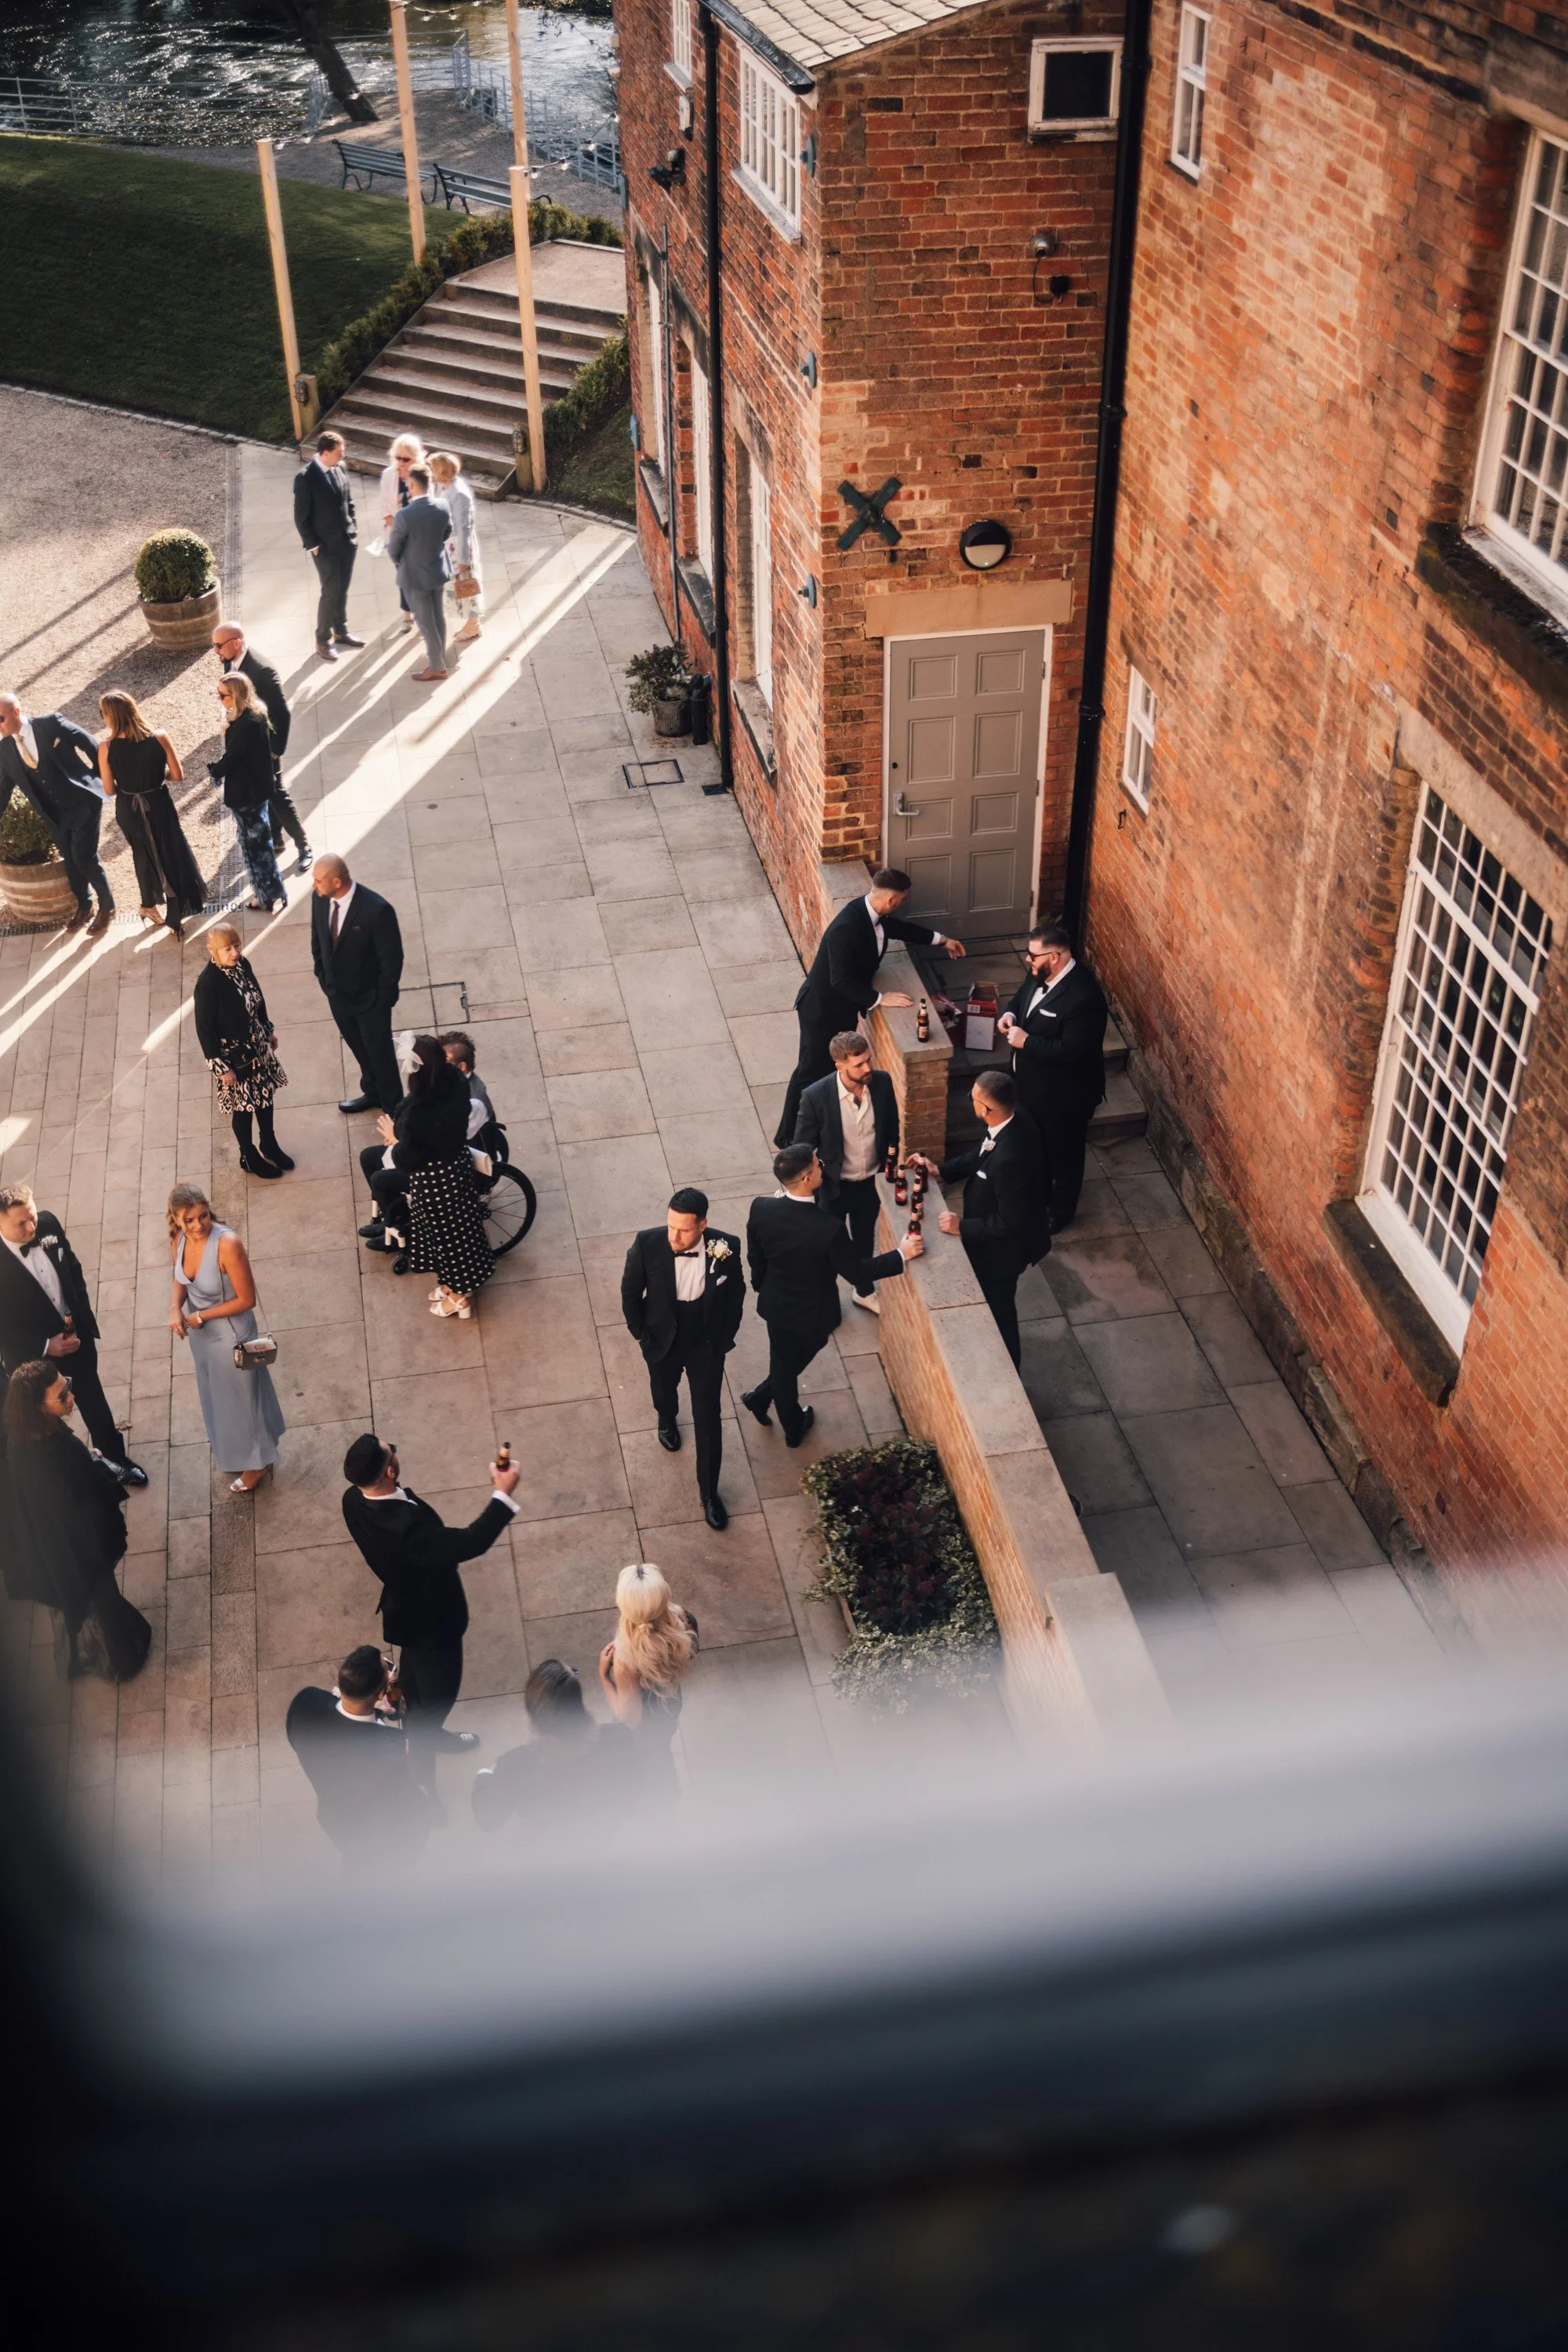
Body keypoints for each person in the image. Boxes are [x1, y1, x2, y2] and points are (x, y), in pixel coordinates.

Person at [340, 1432, 521, 1777]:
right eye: (390, 1450)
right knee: (437, 1698)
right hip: (433, 1625)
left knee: (412, 1683)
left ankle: (413, 1717)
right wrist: (503, 1493)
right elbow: (471, 1541)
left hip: (404, 1612)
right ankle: (421, 1767)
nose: (394, 1450)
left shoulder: (353, 1499)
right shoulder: (409, 1533)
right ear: (390, 1471)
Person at [742, 1142, 922, 1447]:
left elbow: (755, 1257)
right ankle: (792, 1427)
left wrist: (763, 1287)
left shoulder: (761, 1208)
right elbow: (858, 1273)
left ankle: (762, 1396)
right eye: (818, 1164)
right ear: (807, 1178)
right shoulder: (827, 1228)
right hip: (810, 1311)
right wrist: (900, 1255)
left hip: (777, 1304)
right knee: (790, 1362)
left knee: (787, 1361)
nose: (822, 1166)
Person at [775, 868, 967, 1145]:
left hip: (841, 1009)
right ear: (891, 900)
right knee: (808, 1070)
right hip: (821, 1011)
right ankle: (787, 1138)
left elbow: (900, 929)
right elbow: (839, 980)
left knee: (831, 1071)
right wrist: (879, 999)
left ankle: (821, 1128)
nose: (901, 904)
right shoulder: (846, 927)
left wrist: (942, 940)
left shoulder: (876, 915)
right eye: (901, 899)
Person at [2, 1359, 151, 1683]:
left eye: (66, 1385)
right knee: (99, 1602)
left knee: (74, 1600)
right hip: (79, 1546)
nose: (71, 1397)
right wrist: (94, 1467)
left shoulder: (26, 1436)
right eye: (62, 1395)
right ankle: (118, 1662)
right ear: (39, 1406)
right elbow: (76, 1503)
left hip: (58, 1545)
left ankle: (76, 1657)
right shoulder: (52, 1455)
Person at [0, 1181, 147, 1484]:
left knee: (93, 1398)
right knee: (45, 1418)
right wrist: (45, 1346)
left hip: (75, 1339)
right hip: (33, 1360)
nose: (31, 1228)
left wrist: (78, 1315)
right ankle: (63, 1477)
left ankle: (116, 1460)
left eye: (32, 1217)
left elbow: (74, 1270)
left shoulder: (49, 1223)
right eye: (21, 1223)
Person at [621, 1187, 746, 1532]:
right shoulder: (647, 1244)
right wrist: (642, 1335)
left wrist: (724, 1337)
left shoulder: (727, 1246)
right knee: (664, 1388)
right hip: (663, 1339)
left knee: (709, 1418)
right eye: (670, 1226)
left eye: (684, 1229)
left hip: (706, 1344)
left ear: (703, 1225)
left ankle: (708, 1493)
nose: (674, 1236)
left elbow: (736, 1293)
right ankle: (667, 1418)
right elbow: (630, 1294)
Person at [911, 1071, 1051, 1370]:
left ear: (986, 1110)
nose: (970, 1103)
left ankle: (1009, 1369)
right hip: (996, 1238)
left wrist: (962, 1226)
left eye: (973, 1099)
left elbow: (1010, 1222)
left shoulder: (1012, 1158)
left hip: (1002, 1253)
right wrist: (942, 1171)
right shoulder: (1013, 1116)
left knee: (1000, 1311)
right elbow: (983, 1152)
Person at [167, 1182, 285, 1495]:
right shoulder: (179, 1238)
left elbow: (247, 1300)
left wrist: (202, 1316)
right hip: (202, 1338)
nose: (198, 1225)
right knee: (218, 1399)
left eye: (203, 1216)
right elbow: (180, 1279)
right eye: (189, 1220)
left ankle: (258, 1462)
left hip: (232, 1337)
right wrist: (174, 1309)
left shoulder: (227, 1244)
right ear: (177, 1219)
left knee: (244, 1403)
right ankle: (239, 1452)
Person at [366, 1035, 492, 1318]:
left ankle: (460, 1296)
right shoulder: (456, 1083)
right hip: (456, 1169)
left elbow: (407, 1159)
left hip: (433, 1182)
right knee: (461, 1234)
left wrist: (393, 1137)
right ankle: (453, 1286)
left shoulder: (419, 1115)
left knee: (446, 1241)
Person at [996, 923, 1110, 1233]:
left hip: (1065, 1097)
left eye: (1033, 956)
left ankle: (1060, 1213)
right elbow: (1023, 996)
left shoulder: (1084, 997)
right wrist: (1011, 1014)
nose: (1027, 960)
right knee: (1036, 1147)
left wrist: (1026, 1042)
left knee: (1064, 1155)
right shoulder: (1040, 972)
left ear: (1055, 956)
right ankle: (1038, 1196)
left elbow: (1073, 1051)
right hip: (1030, 1089)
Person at [285, 1646, 427, 1871]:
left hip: (334, 1818)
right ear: (380, 1694)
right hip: (376, 1833)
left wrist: (375, 1711)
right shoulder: (391, 1752)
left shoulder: (305, 1703)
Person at [794, 1031, 901, 1317]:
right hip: (833, 1187)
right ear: (839, 1065)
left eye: (868, 1060)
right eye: (859, 1065)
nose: (867, 1068)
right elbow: (802, 1149)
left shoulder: (882, 1083)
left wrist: (891, 1163)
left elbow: (892, 1128)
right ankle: (824, 1303)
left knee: (865, 1240)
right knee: (826, 1247)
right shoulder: (815, 1097)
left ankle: (863, 1292)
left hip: (870, 1184)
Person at [471, 1659, 637, 1833]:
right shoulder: (619, 1738)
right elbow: (631, 1795)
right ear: (578, 1707)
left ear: (532, 1714)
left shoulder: (513, 1767)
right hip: (605, 1841)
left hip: (548, 1851)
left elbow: (488, 1821)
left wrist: (485, 1776)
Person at [0, 693, 115, 936]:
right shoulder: (5, 750)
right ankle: (85, 905)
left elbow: (92, 746)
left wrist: (98, 782)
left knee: (84, 856)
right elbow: (4, 790)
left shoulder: (51, 723)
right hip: (53, 814)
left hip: (83, 803)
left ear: (16, 712)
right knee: (70, 860)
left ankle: (108, 906)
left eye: (0, 718)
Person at [96, 690, 205, 937]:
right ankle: (174, 914)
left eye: (102, 713)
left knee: (142, 854)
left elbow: (110, 789)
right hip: (158, 802)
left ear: (111, 716)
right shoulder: (160, 737)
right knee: (170, 851)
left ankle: (148, 904)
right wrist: (157, 777)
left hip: (128, 808)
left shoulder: (107, 747)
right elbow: (177, 775)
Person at [194, 924, 292, 1180]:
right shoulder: (208, 985)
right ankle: (248, 1156)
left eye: (236, 946)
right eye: (227, 949)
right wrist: (222, 1068)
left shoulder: (242, 964)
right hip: (234, 1057)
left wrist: (268, 1029)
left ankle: (268, 1144)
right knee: (244, 1107)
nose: (235, 952)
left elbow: (258, 1000)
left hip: (257, 1045)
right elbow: (204, 1030)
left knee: (265, 1096)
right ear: (212, 950)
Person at [212, 622, 310, 871]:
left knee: (278, 797)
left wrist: (276, 750)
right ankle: (276, 839)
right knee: (264, 795)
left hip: (265, 748)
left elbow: (282, 713)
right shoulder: (231, 662)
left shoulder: (261, 671)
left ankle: (303, 845)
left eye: (218, 645)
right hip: (248, 742)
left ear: (237, 642)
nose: (216, 651)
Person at [310, 853, 405, 1115]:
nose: (313, 885)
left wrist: (382, 999)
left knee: (381, 1055)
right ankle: (372, 1093)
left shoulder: (376, 909)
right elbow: (317, 938)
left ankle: (396, 1111)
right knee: (359, 1048)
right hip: (337, 996)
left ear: (337, 882)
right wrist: (323, 976)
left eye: (318, 881)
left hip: (371, 1000)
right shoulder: (319, 899)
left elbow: (392, 959)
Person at [597, 1563, 698, 1788]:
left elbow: (630, 1719)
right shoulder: (682, 1618)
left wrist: (604, 1678)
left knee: (649, 1762)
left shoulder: (625, 1657)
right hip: (670, 1706)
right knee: (663, 1743)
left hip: (648, 1726)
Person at [209, 673, 285, 913]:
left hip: (246, 794)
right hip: (259, 789)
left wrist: (215, 770)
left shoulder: (242, 725)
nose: (219, 699)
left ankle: (265, 896)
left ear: (236, 695)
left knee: (254, 849)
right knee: (263, 844)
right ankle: (274, 890)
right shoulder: (257, 714)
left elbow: (233, 758)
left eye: (222, 695)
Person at [293, 427, 364, 662]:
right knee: (330, 590)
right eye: (339, 452)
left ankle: (341, 631)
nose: (343, 456)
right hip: (324, 547)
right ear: (325, 452)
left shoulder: (340, 467)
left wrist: (353, 527)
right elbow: (301, 517)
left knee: (342, 587)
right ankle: (322, 639)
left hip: (347, 541)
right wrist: (312, 545)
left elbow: (348, 501)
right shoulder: (305, 478)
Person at [387, 463, 454, 682]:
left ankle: (437, 667)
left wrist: (401, 560)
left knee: (426, 623)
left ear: (413, 484)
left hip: (415, 576)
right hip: (437, 570)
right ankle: (439, 658)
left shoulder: (405, 515)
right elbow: (447, 532)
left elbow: (394, 547)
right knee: (438, 617)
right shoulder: (443, 505)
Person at [428, 451, 483, 643]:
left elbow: (464, 528)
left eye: (433, 469)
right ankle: (470, 622)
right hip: (449, 545)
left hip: (460, 547)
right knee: (459, 587)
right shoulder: (444, 487)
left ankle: (473, 624)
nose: (431, 473)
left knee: (467, 585)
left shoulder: (459, 494)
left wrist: (463, 560)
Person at [378, 432, 424, 633]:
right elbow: (384, 509)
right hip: (397, 536)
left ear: (416, 459)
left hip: (420, 537)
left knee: (422, 576)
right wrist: (399, 531)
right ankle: (407, 613)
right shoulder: (389, 475)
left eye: (406, 459)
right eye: (398, 458)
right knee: (403, 575)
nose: (401, 463)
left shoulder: (422, 476)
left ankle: (423, 613)